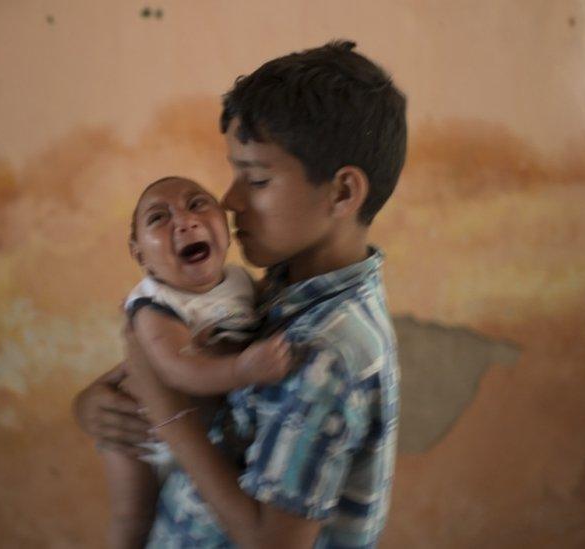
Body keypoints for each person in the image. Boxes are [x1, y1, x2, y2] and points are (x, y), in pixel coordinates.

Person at [75, 39, 406, 548]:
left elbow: (270, 542)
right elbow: (197, 372)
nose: (228, 201)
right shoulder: (282, 288)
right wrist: (100, 403)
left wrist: (170, 417)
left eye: (256, 178)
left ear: (341, 193)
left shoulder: (326, 354)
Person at [100, 175, 292, 548]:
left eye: (198, 204)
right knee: (133, 518)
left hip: (196, 432)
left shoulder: (240, 281)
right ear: (139, 253)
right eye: (159, 217)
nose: (185, 221)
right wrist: (242, 369)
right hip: (141, 435)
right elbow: (177, 367)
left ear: (224, 222)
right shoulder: (154, 304)